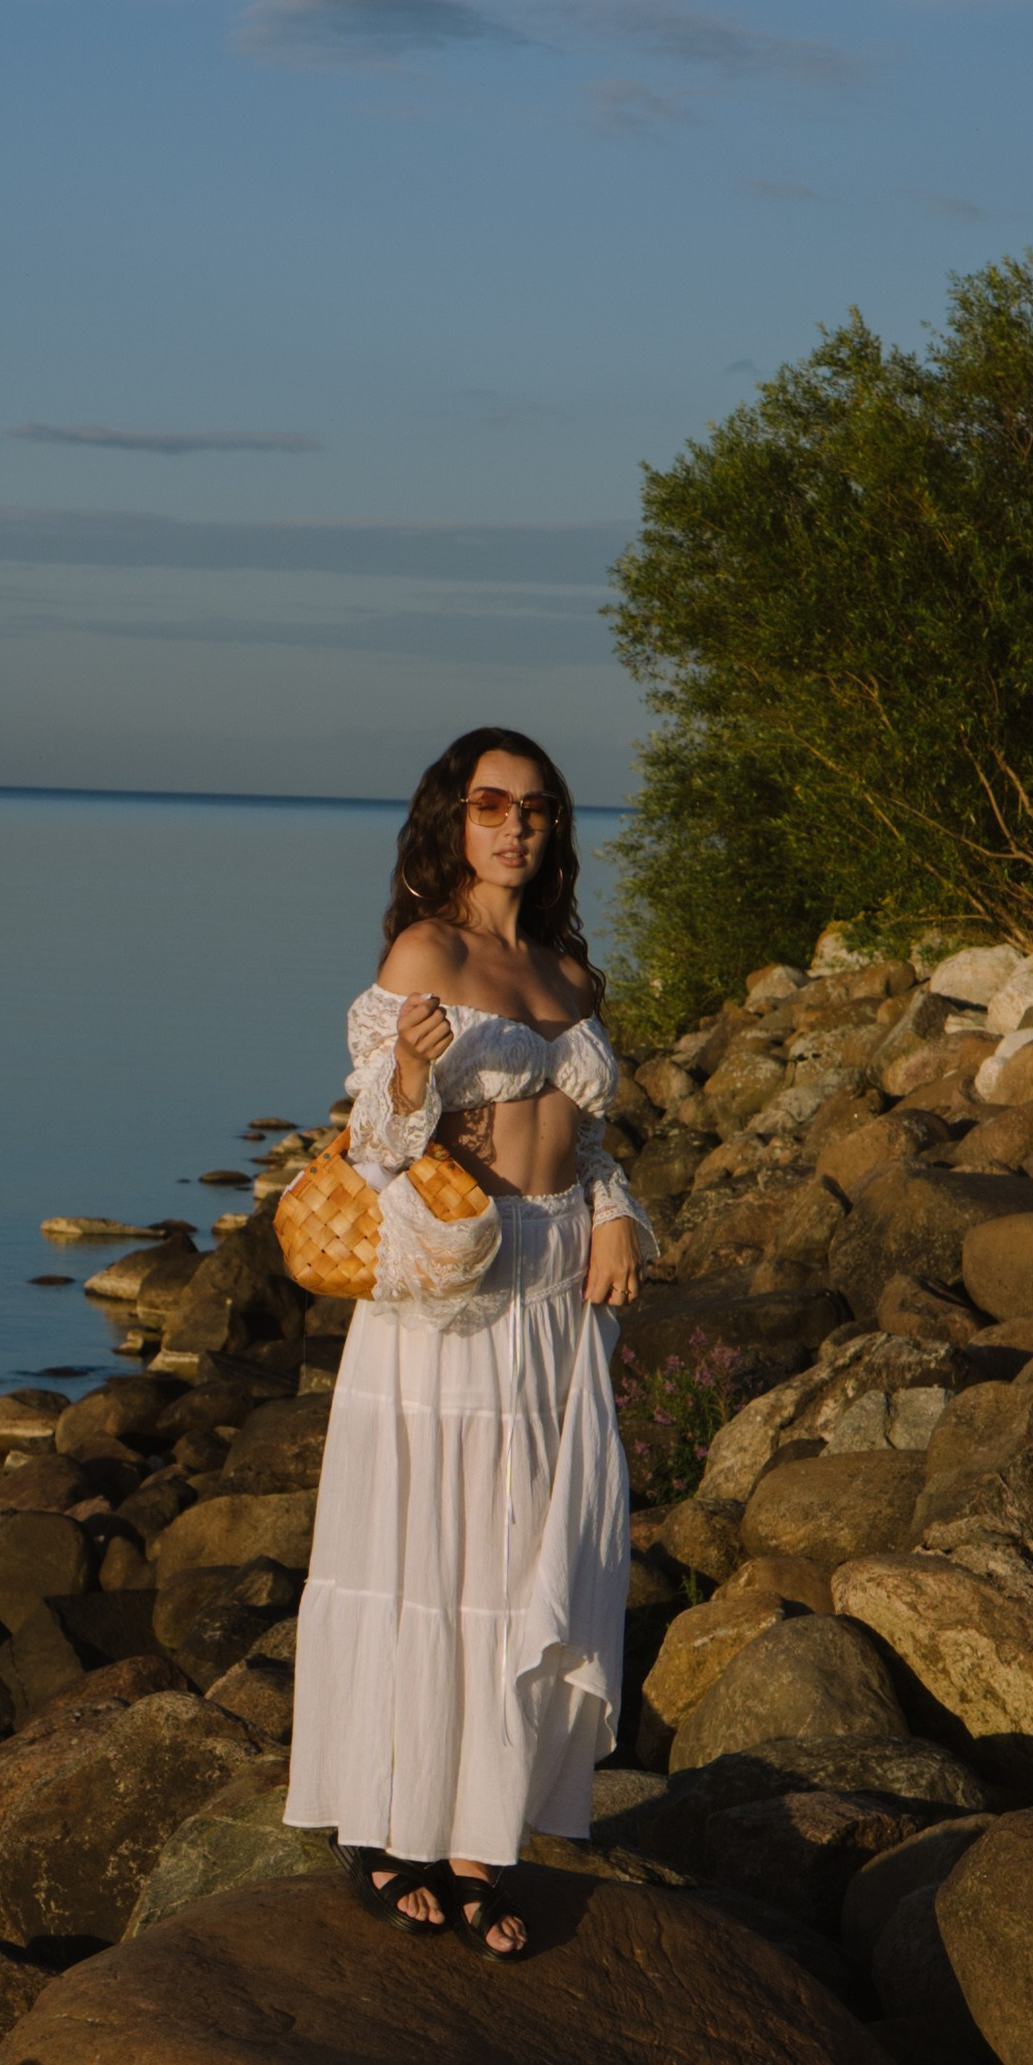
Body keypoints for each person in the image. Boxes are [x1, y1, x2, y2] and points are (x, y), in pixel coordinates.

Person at [281, 727, 653, 1957]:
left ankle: (485, 1832)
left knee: (525, 1555)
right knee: (428, 1548)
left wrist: (612, 1217)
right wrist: (404, 1071)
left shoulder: (567, 972)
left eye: (537, 809)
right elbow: (378, 1148)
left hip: (554, 1295)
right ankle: (388, 1830)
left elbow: (588, 1142)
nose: (515, 826)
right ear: (451, 818)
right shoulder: (424, 952)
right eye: (491, 804)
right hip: (456, 1297)